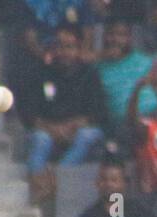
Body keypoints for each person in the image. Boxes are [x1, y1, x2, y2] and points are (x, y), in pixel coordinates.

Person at [17, 25, 108, 202]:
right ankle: (41, 184)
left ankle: (52, 182)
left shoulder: (90, 74)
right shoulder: (40, 74)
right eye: (59, 46)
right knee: (40, 139)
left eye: (69, 47)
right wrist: (52, 128)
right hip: (48, 129)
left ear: (79, 48)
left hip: (77, 130)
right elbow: (28, 113)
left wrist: (73, 125)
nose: (63, 52)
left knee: (87, 136)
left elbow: (99, 113)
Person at [97, 16, 157, 134]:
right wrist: (100, 56)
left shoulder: (145, 60)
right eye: (111, 34)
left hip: (154, 118)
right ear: (103, 36)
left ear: (129, 38)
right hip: (124, 124)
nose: (115, 39)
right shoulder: (97, 68)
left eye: (121, 35)